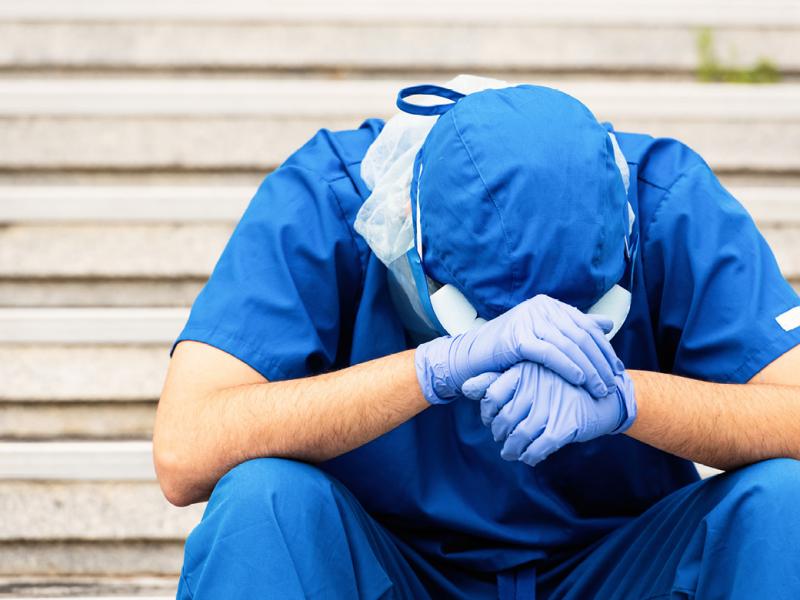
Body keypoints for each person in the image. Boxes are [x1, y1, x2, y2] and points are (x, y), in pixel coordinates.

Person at [154, 75, 800, 599]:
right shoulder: (330, 200)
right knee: (263, 502)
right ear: (410, 242)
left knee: (784, 502)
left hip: (617, 566)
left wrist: (627, 400)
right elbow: (187, 448)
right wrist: (430, 371)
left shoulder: (667, 201)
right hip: (392, 569)